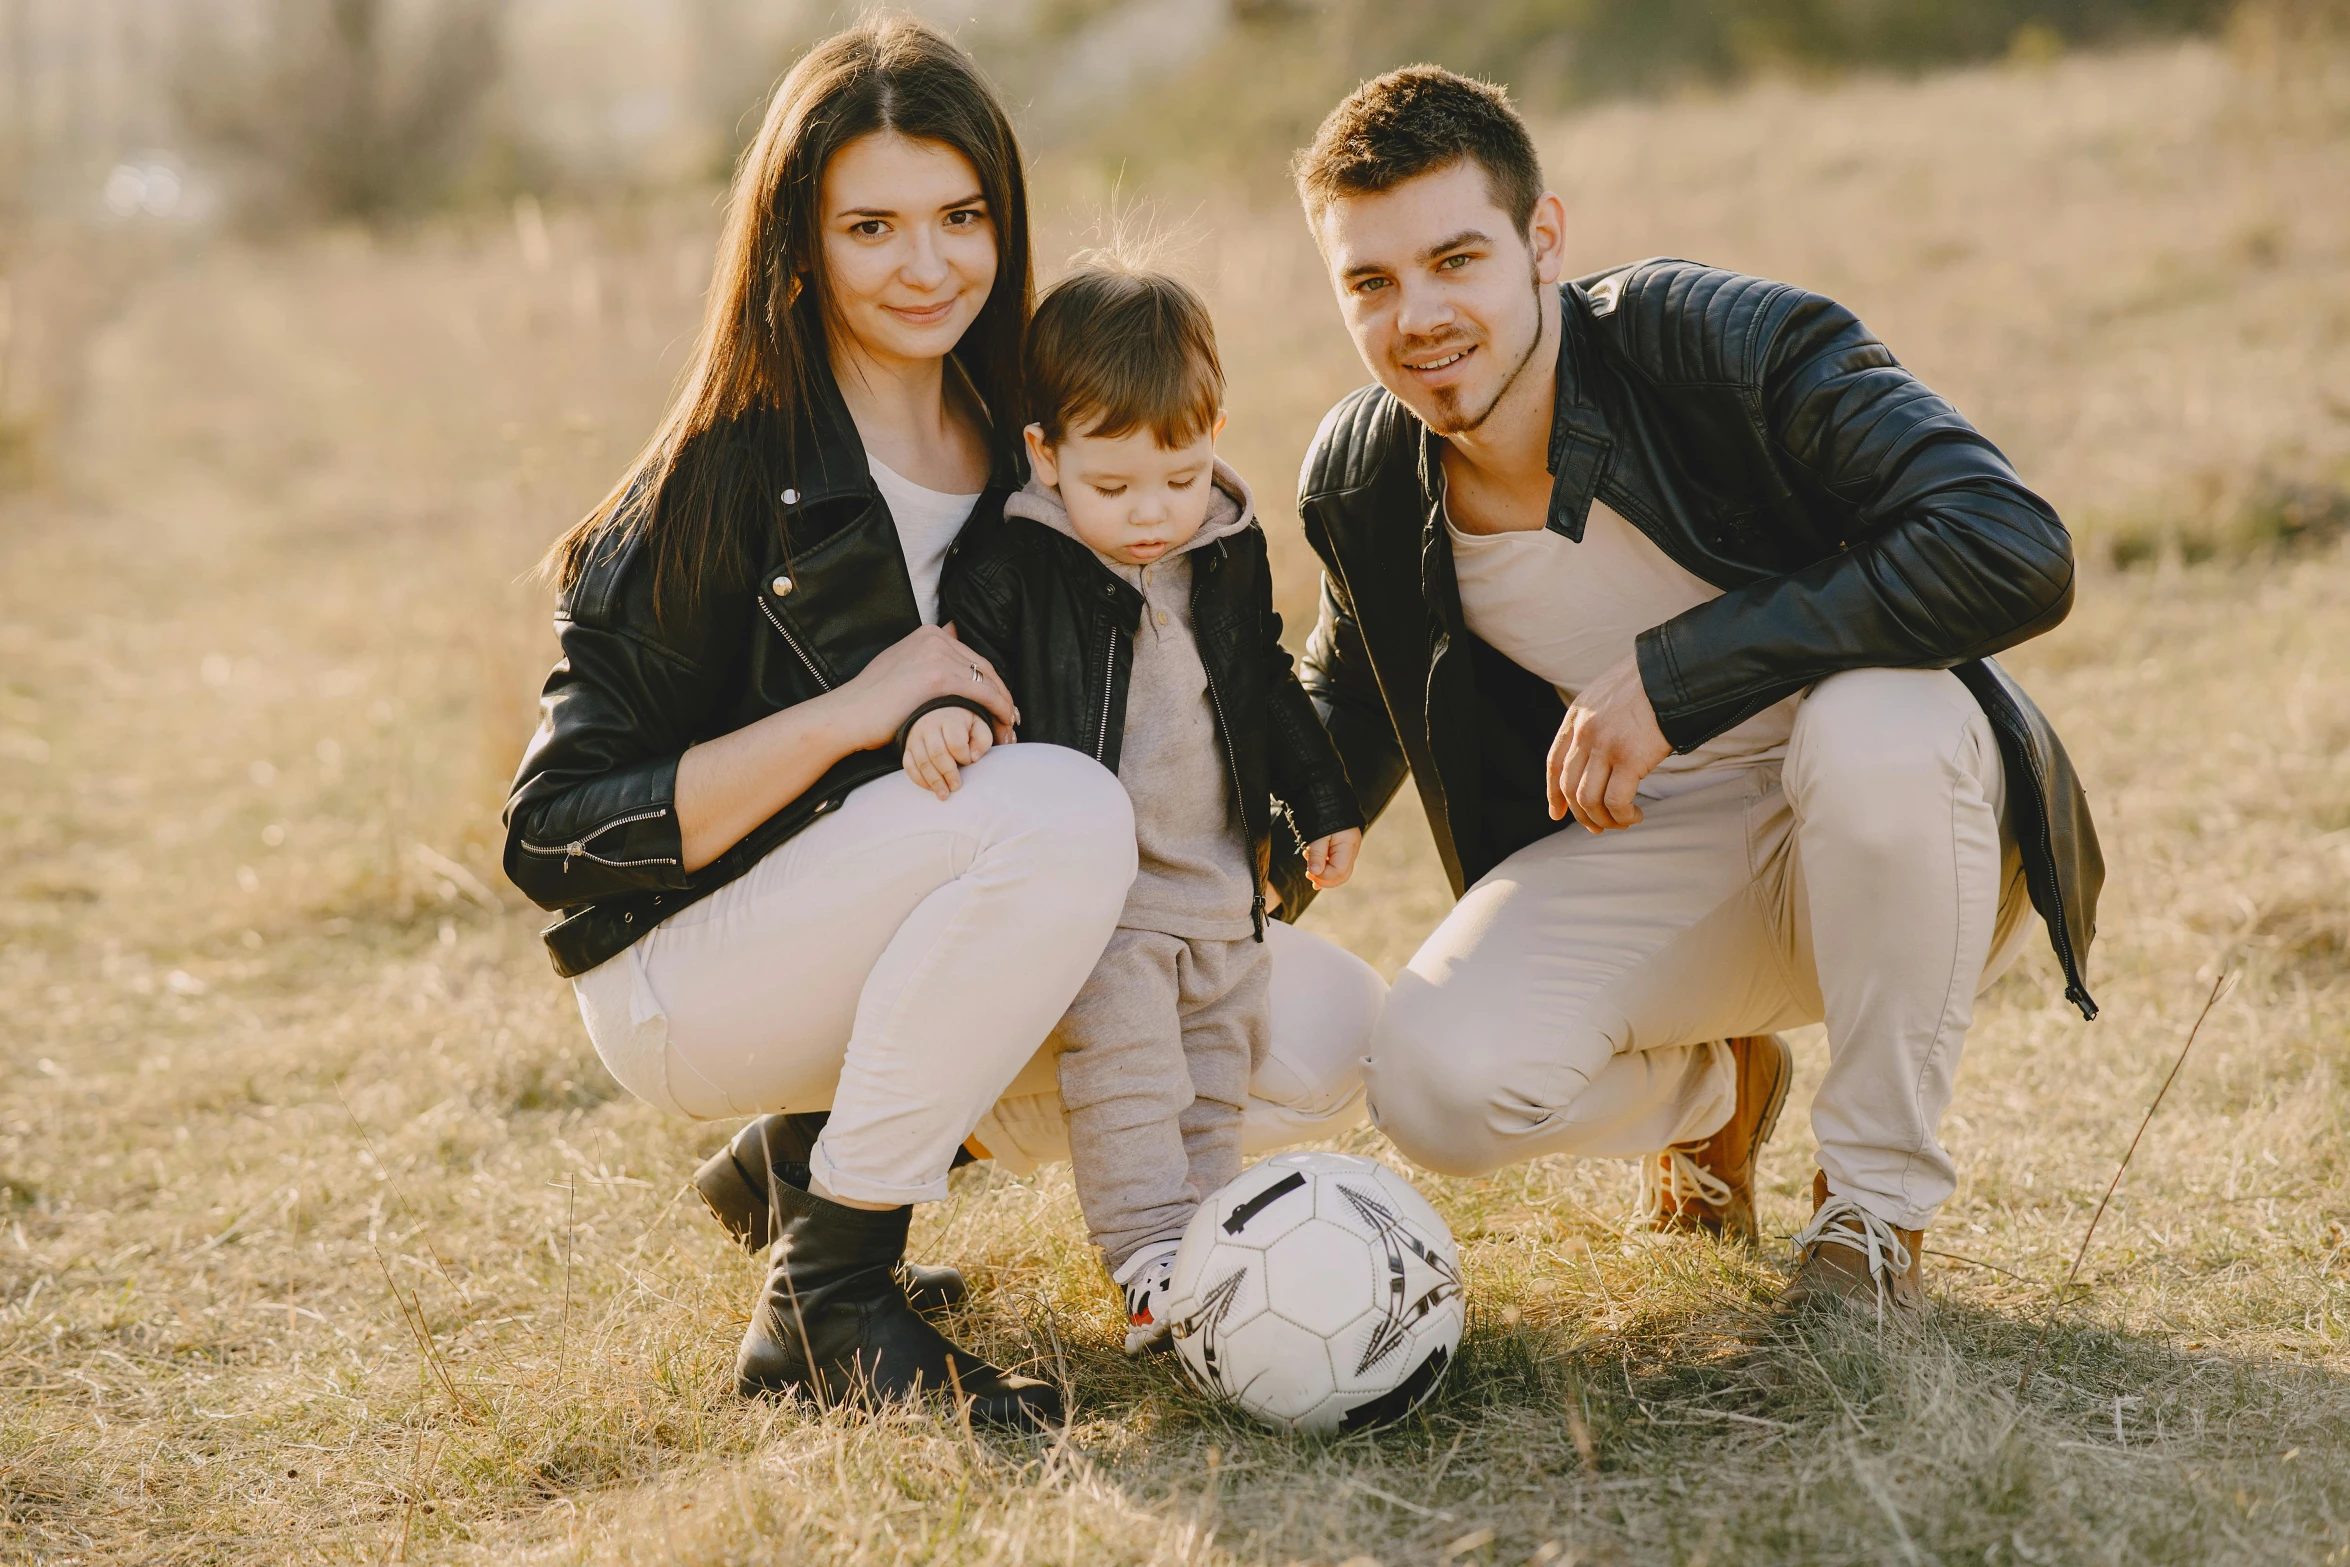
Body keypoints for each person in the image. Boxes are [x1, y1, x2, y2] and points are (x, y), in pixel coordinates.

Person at [1281, 67, 2105, 1314]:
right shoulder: (1361, 474)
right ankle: (1724, 1088)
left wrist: (1679, 678)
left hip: (1913, 827)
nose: (1420, 316)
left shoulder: (1714, 343)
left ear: (1541, 237)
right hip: (1672, 858)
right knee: (1430, 1082)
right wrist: (1175, 894)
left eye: (1457, 258)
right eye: (1372, 282)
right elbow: (1335, 725)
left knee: (1869, 722)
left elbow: (2008, 542)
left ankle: (1871, 1217)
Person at [505, 18, 1117, 1428]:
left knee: (1297, 1039)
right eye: (873, 227)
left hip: (884, 913)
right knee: (1061, 819)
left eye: (962, 217)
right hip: (685, 974)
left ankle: (791, 1162)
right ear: (800, 242)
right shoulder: (724, 473)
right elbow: (552, 834)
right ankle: (829, 1302)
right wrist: (856, 710)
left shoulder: (1028, 435)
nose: (928, 265)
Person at [908, 263, 1365, 1352]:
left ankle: (1212, 1242)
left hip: (1215, 883)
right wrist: (934, 713)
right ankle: (1150, 1261)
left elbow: (1255, 675)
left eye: (1181, 474)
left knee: (1212, 1077)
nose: (1152, 512)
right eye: (1111, 488)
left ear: (1212, 431)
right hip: (1102, 900)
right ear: (1045, 454)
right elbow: (952, 657)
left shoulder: (1226, 541)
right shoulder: (1018, 555)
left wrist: (1322, 798)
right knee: (1128, 1075)